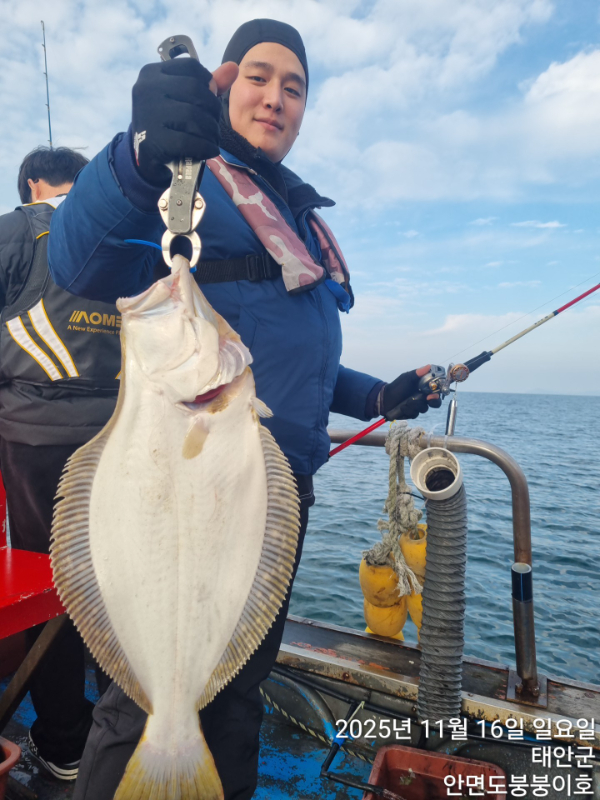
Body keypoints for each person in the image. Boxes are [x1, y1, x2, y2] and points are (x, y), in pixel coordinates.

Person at [47, 19, 440, 800]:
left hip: (268, 497)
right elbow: (77, 257)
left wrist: (375, 396)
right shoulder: (186, 179)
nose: (276, 97)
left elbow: (288, 357)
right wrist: (137, 155)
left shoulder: (292, 214)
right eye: (259, 76)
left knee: (233, 697)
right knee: (141, 700)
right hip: (179, 492)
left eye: (294, 87)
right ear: (225, 83)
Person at [0, 146, 123, 779]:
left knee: (50, 588)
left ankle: (65, 742)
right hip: (122, 439)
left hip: (35, 439)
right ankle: (122, 727)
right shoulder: (121, 233)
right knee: (114, 585)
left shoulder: (18, 228)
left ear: (31, 184)